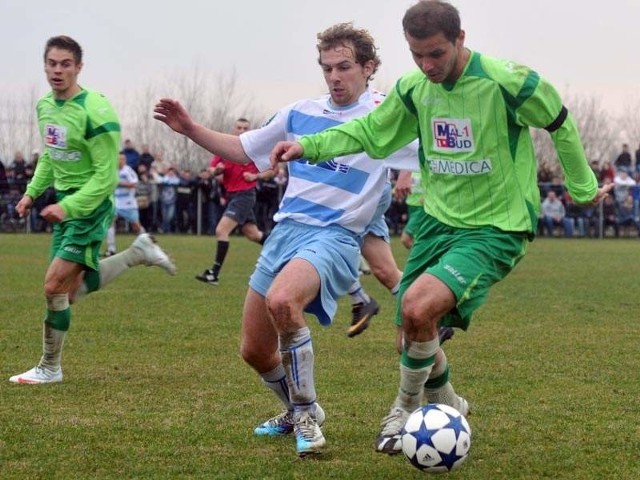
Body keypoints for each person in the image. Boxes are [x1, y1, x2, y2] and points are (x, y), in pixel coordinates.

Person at [270, 1, 611, 455]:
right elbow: (371, 133)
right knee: (409, 334)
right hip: (438, 222)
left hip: (496, 225)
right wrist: (309, 145)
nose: (427, 66)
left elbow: (560, 122)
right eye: (417, 55)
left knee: (416, 307)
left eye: (436, 54)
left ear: (460, 39)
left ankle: (405, 408)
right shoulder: (414, 89)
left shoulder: (507, 82)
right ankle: (447, 402)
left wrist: (582, 185)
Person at [155, 22, 463, 457]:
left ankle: (306, 416)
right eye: (327, 68)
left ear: (369, 67)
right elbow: (245, 148)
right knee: (255, 351)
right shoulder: (299, 112)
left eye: (344, 67)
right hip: (286, 233)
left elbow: (444, 151)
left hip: (336, 236)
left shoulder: (386, 117)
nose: (335, 77)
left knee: (284, 301)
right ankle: (304, 408)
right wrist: (190, 128)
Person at [9, 35, 176, 385]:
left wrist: (67, 206)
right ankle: (137, 254)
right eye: (52, 63)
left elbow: (105, 178)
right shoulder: (44, 107)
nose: (58, 70)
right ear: (44, 65)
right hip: (66, 207)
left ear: (78, 67)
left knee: (53, 285)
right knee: (67, 293)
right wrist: (30, 194)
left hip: (90, 208)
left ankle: (49, 367)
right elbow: (51, 158)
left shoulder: (96, 112)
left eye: (65, 64)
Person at [194, 118, 270, 286]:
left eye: (245, 128)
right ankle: (284, 249)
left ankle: (214, 274)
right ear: (234, 129)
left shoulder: (254, 150)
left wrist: (255, 176)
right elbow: (212, 169)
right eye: (239, 127)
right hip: (232, 196)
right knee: (253, 234)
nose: (242, 130)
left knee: (221, 230)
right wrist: (217, 170)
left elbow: (272, 170)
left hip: (245, 195)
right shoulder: (226, 148)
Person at [104, 152, 144, 256]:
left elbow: (135, 184)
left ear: (125, 160)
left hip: (128, 202)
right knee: (110, 223)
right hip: (116, 202)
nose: (120, 161)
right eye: (118, 159)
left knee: (136, 226)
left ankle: (147, 244)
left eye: (122, 159)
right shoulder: (112, 171)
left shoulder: (128, 171)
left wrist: (119, 183)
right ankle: (111, 249)